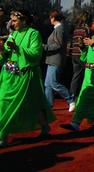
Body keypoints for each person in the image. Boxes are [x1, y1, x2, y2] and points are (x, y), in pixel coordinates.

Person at [0, 11, 57, 148]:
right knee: (3, 104)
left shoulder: (33, 34)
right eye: (11, 21)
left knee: (29, 106)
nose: (12, 24)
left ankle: (3, 136)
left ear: (24, 21)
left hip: (25, 77)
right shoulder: (13, 34)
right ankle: (3, 135)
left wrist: (17, 48)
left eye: (14, 21)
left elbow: (36, 54)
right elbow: (6, 54)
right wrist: (2, 50)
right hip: (9, 78)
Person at [42, 10, 74, 111]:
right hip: (51, 60)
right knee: (47, 84)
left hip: (56, 60)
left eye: (51, 17)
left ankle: (71, 98)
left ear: (54, 18)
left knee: (54, 83)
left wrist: (44, 47)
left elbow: (58, 45)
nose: (50, 19)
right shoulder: (57, 29)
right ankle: (48, 105)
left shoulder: (59, 29)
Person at [69, 11, 92, 111]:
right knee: (89, 75)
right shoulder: (87, 29)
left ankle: (72, 101)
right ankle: (86, 98)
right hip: (81, 55)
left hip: (74, 55)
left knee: (76, 77)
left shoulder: (76, 29)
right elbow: (86, 43)